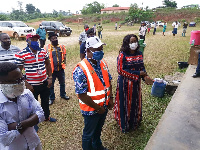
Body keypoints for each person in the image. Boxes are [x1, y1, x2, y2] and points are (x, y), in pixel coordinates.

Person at [73, 36, 114, 150]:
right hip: (91, 110)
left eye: (101, 48)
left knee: (98, 129)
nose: (100, 52)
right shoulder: (81, 69)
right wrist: (97, 108)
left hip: (104, 106)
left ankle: (97, 145)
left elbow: (108, 81)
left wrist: (110, 98)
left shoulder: (102, 63)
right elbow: (81, 94)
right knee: (88, 134)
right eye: (97, 49)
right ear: (87, 51)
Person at [0, 62, 45, 150]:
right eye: (16, 81)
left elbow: (41, 114)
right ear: (2, 82)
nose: (21, 83)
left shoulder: (27, 94)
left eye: (22, 78)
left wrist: (16, 126)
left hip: (33, 143)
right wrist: (31, 120)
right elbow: (5, 138)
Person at [114, 34, 153, 133]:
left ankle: (135, 122)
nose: (134, 44)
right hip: (125, 84)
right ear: (127, 43)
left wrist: (145, 77)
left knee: (135, 102)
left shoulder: (139, 54)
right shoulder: (123, 55)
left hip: (135, 84)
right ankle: (124, 125)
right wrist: (137, 74)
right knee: (125, 103)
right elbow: (121, 70)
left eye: (135, 41)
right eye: (131, 42)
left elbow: (142, 68)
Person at [15, 33, 57, 124]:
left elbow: (48, 64)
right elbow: (18, 71)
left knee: (45, 101)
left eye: (36, 40)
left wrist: (49, 78)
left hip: (44, 82)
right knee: (32, 105)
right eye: (32, 40)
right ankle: (34, 123)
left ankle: (46, 117)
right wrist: (27, 84)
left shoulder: (42, 51)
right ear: (27, 41)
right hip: (32, 85)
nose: (35, 42)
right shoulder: (21, 54)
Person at [44, 32, 70, 105]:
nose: (55, 39)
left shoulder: (61, 46)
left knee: (62, 83)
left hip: (60, 69)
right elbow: (44, 60)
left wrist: (64, 62)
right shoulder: (46, 48)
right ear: (50, 40)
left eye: (56, 38)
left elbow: (64, 55)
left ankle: (63, 94)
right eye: (53, 38)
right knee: (51, 85)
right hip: (51, 70)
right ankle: (51, 98)